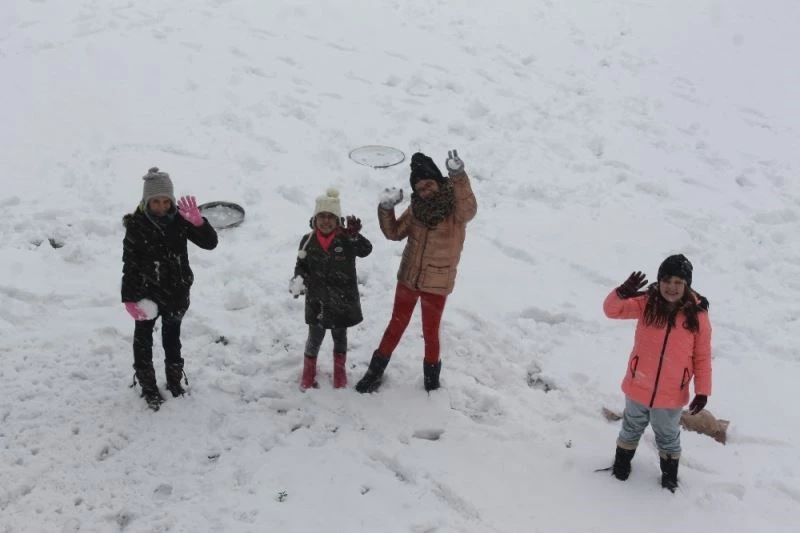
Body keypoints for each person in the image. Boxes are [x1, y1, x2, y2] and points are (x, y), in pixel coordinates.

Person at [355, 149, 477, 393]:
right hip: (408, 279)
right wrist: (386, 209)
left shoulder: (455, 209)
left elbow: (469, 209)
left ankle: (431, 379)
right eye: (419, 188)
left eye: (429, 184)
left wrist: (459, 176)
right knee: (395, 326)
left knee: (430, 333)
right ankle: (375, 372)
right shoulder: (416, 210)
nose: (425, 191)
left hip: (437, 282)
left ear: (438, 181)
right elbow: (394, 233)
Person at [603, 254, 712, 492]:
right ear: (659, 281)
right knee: (631, 427)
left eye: (678, 282)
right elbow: (611, 311)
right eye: (667, 281)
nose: (671, 287)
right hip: (638, 385)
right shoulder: (647, 303)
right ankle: (621, 465)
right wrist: (622, 293)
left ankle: (669, 476)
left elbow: (702, 356)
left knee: (668, 435)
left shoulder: (698, 315)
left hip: (671, 393)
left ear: (687, 285)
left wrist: (702, 391)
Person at [121, 167, 218, 411]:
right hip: (146, 294)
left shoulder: (180, 220)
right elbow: (130, 265)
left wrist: (199, 223)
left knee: (172, 339)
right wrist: (129, 298)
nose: (162, 207)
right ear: (147, 201)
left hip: (176, 291)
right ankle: (148, 386)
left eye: (166, 201)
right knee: (143, 341)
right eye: (156, 201)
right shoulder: (137, 225)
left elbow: (210, 243)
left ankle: (174, 380)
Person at [290, 188, 372, 390]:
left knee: (340, 337)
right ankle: (308, 371)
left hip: (342, 300)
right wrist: (299, 278)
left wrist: (356, 237)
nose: (326, 221)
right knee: (314, 338)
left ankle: (339, 371)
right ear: (315, 218)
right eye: (322, 216)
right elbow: (301, 265)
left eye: (331, 217)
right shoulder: (307, 241)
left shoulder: (347, 239)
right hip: (317, 300)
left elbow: (366, 250)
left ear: (338, 220)